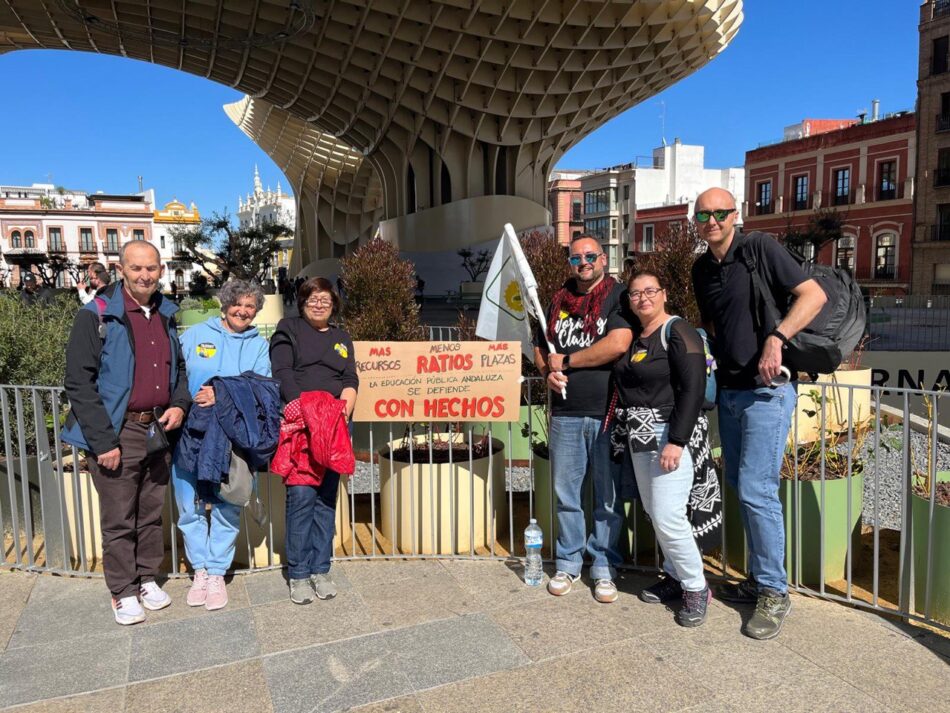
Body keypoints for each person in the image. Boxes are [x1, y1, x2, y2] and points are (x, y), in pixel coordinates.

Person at [691, 187, 826, 639]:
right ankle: (757, 579)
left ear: (736, 214)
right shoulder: (701, 268)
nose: (712, 220)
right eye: (704, 214)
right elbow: (714, 327)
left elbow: (813, 296)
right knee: (738, 483)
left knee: (756, 488)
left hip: (767, 392)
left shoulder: (759, 248)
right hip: (730, 392)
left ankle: (774, 590)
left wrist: (777, 338)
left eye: (720, 213)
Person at [61, 241, 190, 625]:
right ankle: (122, 590)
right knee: (119, 517)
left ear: (161, 269)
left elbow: (179, 371)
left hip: (157, 428)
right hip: (119, 431)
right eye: (136, 269)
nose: (144, 275)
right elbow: (79, 383)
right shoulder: (97, 315)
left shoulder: (167, 314)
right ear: (121, 270)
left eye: (150, 268)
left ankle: (146, 577)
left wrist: (179, 404)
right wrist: (103, 442)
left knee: (150, 513)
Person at [534, 234, 634, 603]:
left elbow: (618, 342)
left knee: (606, 497)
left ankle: (605, 566)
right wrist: (547, 371)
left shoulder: (618, 296)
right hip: (565, 413)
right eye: (576, 257)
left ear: (603, 259)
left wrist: (569, 361)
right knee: (567, 495)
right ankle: (568, 562)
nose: (584, 262)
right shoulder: (556, 301)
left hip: (606, 411)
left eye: (590, 256)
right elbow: (540, 344)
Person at [611, 270, 711, 627]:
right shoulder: (637, 337)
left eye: (649, 291)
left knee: (668, 515)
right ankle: (675, 575)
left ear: (664, 294)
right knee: (656, 512)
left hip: (669, 435)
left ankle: (697, 587)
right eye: (635, 294)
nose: (643, 298)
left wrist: (676, 440)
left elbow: (693, 388)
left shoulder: (677, 331)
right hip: (639, 437)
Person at [172, 279, 271, 611]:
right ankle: (199, 569)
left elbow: (263, 387)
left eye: (250, 306)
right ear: (225, 305)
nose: (243, 311)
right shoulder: (196, 336)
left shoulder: (259, 345)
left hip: (235, 439)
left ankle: (217, 572)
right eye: (237, 304)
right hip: (193, 435)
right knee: (190, 505)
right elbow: (178, 375)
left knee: (229, 503)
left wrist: (222, 393)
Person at [269, 277, 358, 604]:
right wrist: (303, 409)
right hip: (303, 424)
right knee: (302, 498)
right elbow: (282, 371)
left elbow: (350, 377)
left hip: (334, 426)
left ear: (334, 303)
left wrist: (343, 410)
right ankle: (299, 573)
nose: (319, 304)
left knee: (325, 500)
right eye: (312, 298)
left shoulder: (341, 336)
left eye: (325, 299)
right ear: (302, 301)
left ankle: (321, 568)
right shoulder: (288, 328)